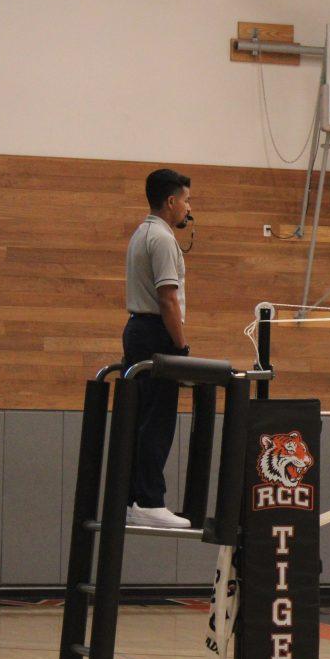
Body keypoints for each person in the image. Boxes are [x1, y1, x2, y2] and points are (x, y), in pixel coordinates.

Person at [122, 169, 193, 529]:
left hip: (138, 331)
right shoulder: (163, 239)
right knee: (157, 420)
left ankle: (133, 499)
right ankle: (149, 501)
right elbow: (168, 300)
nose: (188, 207)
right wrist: (180, 348)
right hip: (154, 333)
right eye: (186, 200)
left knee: (142, 417)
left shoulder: (142, 232)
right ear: (171, 201)